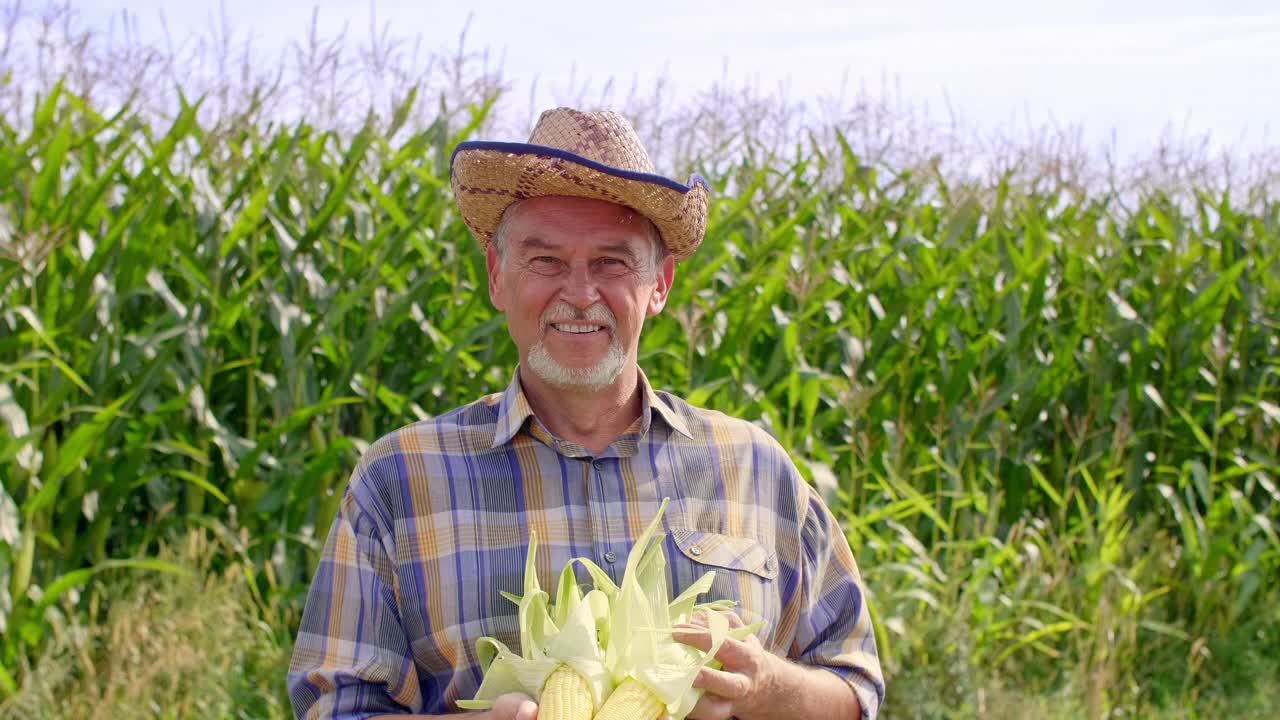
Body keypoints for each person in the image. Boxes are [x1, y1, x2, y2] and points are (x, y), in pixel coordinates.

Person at [288, 107, 885, 720]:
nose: (579, 292)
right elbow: (335, 708)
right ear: (497, 276)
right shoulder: (399, 482)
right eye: (545, 260)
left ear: (659, 285)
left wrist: (763, 688)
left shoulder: (755, 468)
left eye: (612, 262)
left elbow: (855, 690)